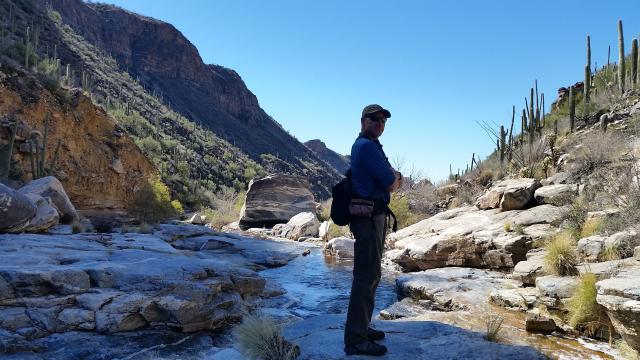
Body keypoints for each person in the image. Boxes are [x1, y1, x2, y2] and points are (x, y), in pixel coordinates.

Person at [344, 104, 402, 356]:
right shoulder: (366, 147)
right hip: (368, 218)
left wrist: (393, 176)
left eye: (383, 120)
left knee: (372, 273)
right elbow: (391, 182)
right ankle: (356, 340)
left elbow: (390, 180)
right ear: (362, 120)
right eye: (374, 119)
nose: (379, 123)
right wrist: (396, 176)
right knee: (365, 275)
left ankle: (362, 327)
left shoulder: (371, 145)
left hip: (373, 216)